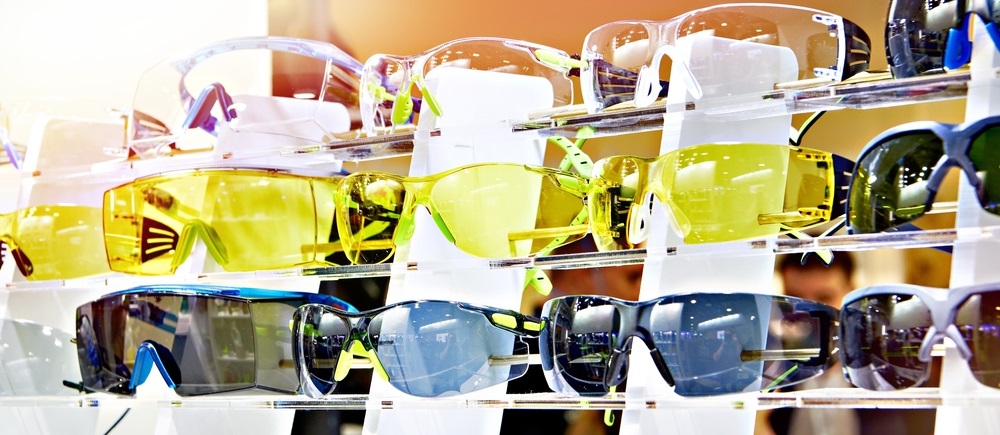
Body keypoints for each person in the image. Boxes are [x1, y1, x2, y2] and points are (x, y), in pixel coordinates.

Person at [760, 253, 937, 435]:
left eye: (824, 297)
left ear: (852, 295)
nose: (808, 314)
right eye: (795, 298)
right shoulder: (764, 373)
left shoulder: (896, 370)